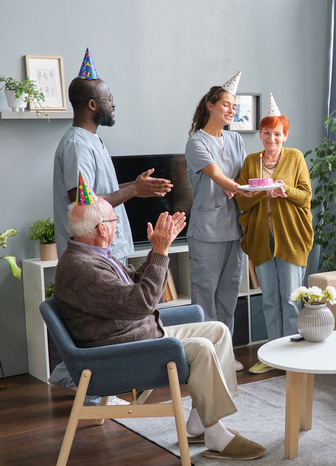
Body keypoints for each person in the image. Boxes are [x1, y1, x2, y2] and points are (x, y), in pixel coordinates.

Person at [53, 194, 266, 460]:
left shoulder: (92, 254)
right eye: (114, 219)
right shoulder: (81, 267)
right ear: (102, 228)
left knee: (218, 331)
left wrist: (157, 249)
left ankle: (201, 420)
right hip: (119, 353)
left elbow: (135, 285)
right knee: (201, 348)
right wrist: (163, 251)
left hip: (139, 334)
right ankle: (215, 435)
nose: (117, 224)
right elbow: (143, 301)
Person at [51, 48, 172, 397]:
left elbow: (97, 192)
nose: (113, 104)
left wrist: (135, 186)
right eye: (109, 99)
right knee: (97, 324)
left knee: (108, 321)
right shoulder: (76, 144)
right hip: (92, 251)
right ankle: (83, 389)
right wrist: (134, 189)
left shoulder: (94, 141)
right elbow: (82, 203)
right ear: (92, 105)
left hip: (107, 248)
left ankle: (86, 385)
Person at [235, 93, 313, 374]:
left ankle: (291, 357)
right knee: (269, 300)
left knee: (291, 299)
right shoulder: (250, 162)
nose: (272, 138)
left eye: (277, 133)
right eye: (267, 133)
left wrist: (284, 191)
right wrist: (261, 191)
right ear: (260, 134)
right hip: (260, 239)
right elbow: (242, 200)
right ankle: (271, 356)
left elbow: (305, 197)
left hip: (290, 237)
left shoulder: (295, 158)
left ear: (285, 135)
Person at [184, 72, 255, 371]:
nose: (231, 110)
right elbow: (217, 175)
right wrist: (235, 186)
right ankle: (206, 358)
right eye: (226, 105)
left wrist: (250, 187)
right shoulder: (195, 143)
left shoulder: (236, 139)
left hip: (233, 229)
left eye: (234, 107)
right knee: (204, 297)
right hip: (207, 231)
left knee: (228, 296)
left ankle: (224, 355)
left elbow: (243, 175)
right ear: (211, 105)